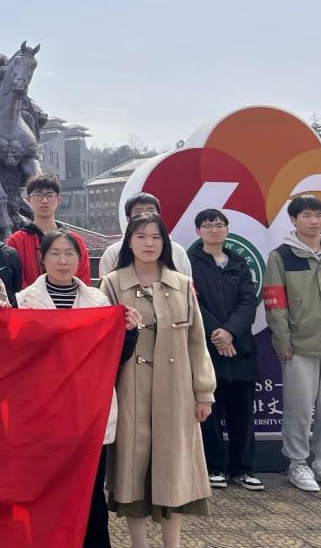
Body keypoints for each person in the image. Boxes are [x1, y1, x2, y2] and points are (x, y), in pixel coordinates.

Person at [16, 229, 141, 548]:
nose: (62, 260)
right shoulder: (22, 303)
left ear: (80, 259)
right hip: (43, 414)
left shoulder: (98, 302)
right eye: (55, 253)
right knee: (44, 490)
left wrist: (129, 332)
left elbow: (114, 360)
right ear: (42, 259)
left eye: (69, 254)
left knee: (89, 492)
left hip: (87, 414)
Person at [99, 215, 215, 548]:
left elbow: (196, 341)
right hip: (129, 390)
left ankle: (172, 544)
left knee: (174, 469)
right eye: (140, 236)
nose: (149, 243)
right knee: (133, 470)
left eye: (155, 237)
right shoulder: (112, 284)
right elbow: (101, 342)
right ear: (129, 242)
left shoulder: (181, 283)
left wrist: (203, 392)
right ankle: (139, 543)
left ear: (165, 243)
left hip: (176, 391)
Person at [264, 194, 321, 493]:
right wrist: (282, 340)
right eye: (306, 215)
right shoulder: (281, 256)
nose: (314, 221)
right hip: (299, 346)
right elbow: (275, 303)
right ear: (293, 220)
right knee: (299, 409)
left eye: (318, 215)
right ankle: (297, 463)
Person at [189, 209, 262, 492]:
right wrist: (217, 334)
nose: (214, 230)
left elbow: (248, 302)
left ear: (227, 229)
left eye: (219, 225)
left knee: (242, 413)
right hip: (207, 349)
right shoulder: (189, 263)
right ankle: (214, 466)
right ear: (198, 231)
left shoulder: (240, 263)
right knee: (209, 412)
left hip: (240, 348)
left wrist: (230, 332)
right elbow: (193, 304)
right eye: (208, 225)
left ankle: (243, 469)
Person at [6, 174, 91, 288]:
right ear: (28, 200)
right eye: (38, 195)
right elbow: (15, 281)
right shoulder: (16, 241)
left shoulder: (75, 240)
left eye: (50, 195)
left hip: (70, 297)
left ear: (58, 200)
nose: (44, 201)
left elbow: (84, 279)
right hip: (30, 298)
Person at [98, 193, 192, 278]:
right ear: (128, 218)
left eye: (151, 211)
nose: (145, 215)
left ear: (159, 216)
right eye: (138, 212)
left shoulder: (177, 251)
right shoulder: (113, 253)